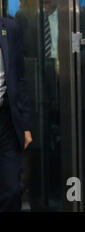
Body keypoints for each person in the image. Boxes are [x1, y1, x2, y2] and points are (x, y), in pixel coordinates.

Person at [0, 16, 33, 211]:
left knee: (12, 188)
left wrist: (26, 125)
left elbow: (20, 78)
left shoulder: (9, 28)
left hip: (6, 119)